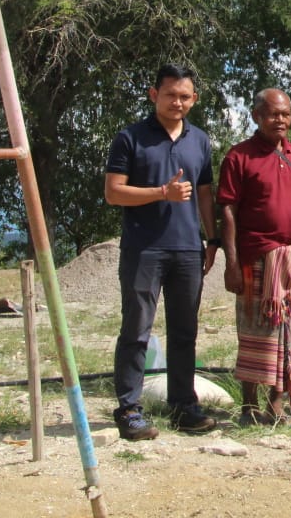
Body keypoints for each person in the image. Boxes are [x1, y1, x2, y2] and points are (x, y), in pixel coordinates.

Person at [104, 64, 218, 440]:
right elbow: (113, 192)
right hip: (144, 249)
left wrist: (212, 237)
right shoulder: (130, 138)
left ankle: (184, 405)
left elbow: (204, 192)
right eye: (171, 95)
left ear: (194, 99)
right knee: (137, 329)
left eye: (185, 96)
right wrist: (159, 193)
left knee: (185, 331)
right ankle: (129, 408)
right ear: (154, 95)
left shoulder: (200, 140)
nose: (178, 102)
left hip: (187, 249)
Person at [216, 88, 291, 425]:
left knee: (289, 332)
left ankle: (277, 404)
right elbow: (228, 211)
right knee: (254, 330)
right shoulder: (239, 157)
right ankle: (249, 406)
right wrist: (231, 265)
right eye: (274, 114)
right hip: (256, 258)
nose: (281, 120)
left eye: (286, 114)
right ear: (257, 116)